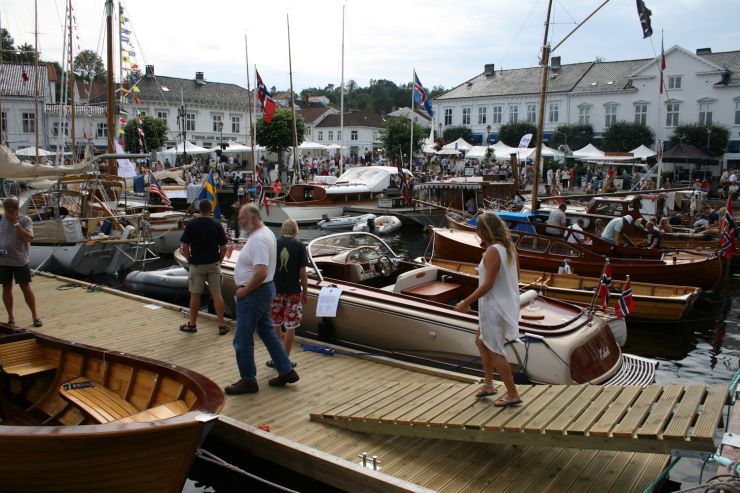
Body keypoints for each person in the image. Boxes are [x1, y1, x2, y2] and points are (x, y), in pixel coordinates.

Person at [225, 204, 299, 395]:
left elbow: (261, 271)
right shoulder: (265, 233)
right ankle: (286, 370)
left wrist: (244, 290)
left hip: (254, 292)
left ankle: (248, 380)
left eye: (243, 219)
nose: (240, 222)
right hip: (265, 290)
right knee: (267, 332)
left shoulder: (258, 239)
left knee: (242, 339)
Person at [454, 213, 522, 408]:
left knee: (495, 350)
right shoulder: (509, 248)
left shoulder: (493, 251)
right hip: (504, 304)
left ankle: (513, 394)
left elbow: (488, 284)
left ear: (484, 231)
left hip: (493, 307)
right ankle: (489, 384)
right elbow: (514, 276)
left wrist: (465, 301)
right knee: (481, 342)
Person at [179, 199, 228, 335]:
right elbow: (224, 247)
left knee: (195, 295)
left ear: (199, 210)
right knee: (217, 295)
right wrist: (220, 260)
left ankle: (192, 325)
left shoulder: (192, 224)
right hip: (213, 264)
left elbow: (184, 247)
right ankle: (221, 326)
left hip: (197, 264)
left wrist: (189, 259)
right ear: (211, 209)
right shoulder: (217, 225)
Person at [268, 219, 308, 368]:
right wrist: (305, 292)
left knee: (275, 323)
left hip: (275, 290)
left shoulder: (274, 244)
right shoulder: (300, 246)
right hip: (293, 291)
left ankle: (276, 357)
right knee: (290, 326)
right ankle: (285, 359)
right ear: (295, 231)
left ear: (283, 229)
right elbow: (303, 273)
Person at [0, 197, 41, 328]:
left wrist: (15, 223)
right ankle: (11, 318)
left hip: (20, 260)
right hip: (3, 260)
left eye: (10, 210)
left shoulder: (25, 220)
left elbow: (28, 238)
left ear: (16, 209)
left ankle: (35, 316)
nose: (7, 213)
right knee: (6, 288)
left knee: (25, 287)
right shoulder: (0, 219)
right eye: (6, 210)